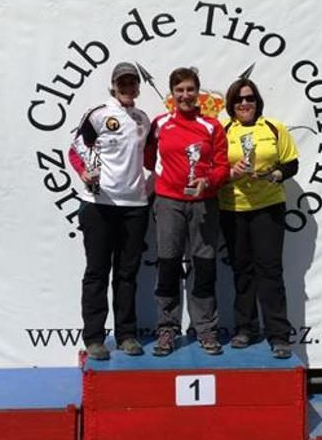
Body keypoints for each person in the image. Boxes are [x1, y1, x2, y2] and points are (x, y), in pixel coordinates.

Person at [68, 62, 151, 360]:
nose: (127, 88)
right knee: (97, 273)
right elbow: (75, 149)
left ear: (138, 87)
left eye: (132, 83)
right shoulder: (98, 114)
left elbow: (153, 158)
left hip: (135, 206)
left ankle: (126, 335)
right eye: (122, 83)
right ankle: (93, 338)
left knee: (127, 274)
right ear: (114, 85)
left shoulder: (144, 119)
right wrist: (83, 173)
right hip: (99, 205)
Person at [148, 67, 230, 356]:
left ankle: (205, 329)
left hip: (204, 203)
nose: (185, 95)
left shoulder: (212, 126)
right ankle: (167, 329)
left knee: (204, 266)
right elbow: (149, 158)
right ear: (172, 95)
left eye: (190, 89)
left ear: (198, 93)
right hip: (169, 202)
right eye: (179, 90)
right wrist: (168, 181)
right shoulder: (159, 124)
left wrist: (207, 181)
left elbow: (223, 166)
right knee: (168, 264)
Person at [218, 78, 299, 359]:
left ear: (257, 100)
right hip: (233, 208)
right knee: (242, 271)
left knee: (270, 271)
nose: (244, 103)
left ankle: (279, 335)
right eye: (239, 99)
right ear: (231, 104)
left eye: (249, 98)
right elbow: (214, 168)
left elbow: (291, 163)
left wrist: (276, 174)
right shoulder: (223, 130)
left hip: (268, 207)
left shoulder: (274, 128)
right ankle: (245, 329)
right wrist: (232, 173)